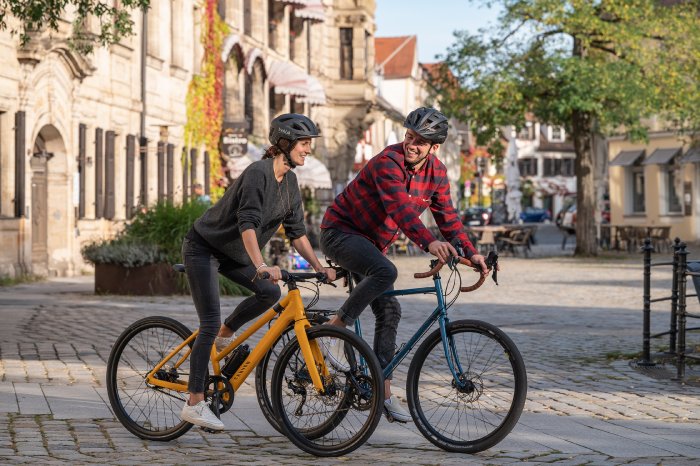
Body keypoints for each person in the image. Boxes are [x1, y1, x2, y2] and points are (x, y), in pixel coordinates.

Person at [320, 107, 489, 422]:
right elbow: (399, 209)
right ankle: (336, 326)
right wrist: (430, 242)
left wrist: (471, 251)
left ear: (433, 148)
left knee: (390, 311)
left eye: (420, 142)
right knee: (386, 271)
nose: (412, 144)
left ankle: (382, 393)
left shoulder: (437, 173)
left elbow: (449, 218)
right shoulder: (389, 162)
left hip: (371, 245)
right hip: (340, 233)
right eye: (410, 136)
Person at [180, 113, 336, 430]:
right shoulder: (257, 174)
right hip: (204, 247)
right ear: (285, 143)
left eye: (309, 144)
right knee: (208, 320)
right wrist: (262, 265)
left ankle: (226, 335)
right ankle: (194, 401)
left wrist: (320, 267)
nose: (308, 150)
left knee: (268, 292)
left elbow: (297, 232)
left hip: (234, 253)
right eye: (304, 143)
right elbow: (247, 224)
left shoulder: (290, 182)